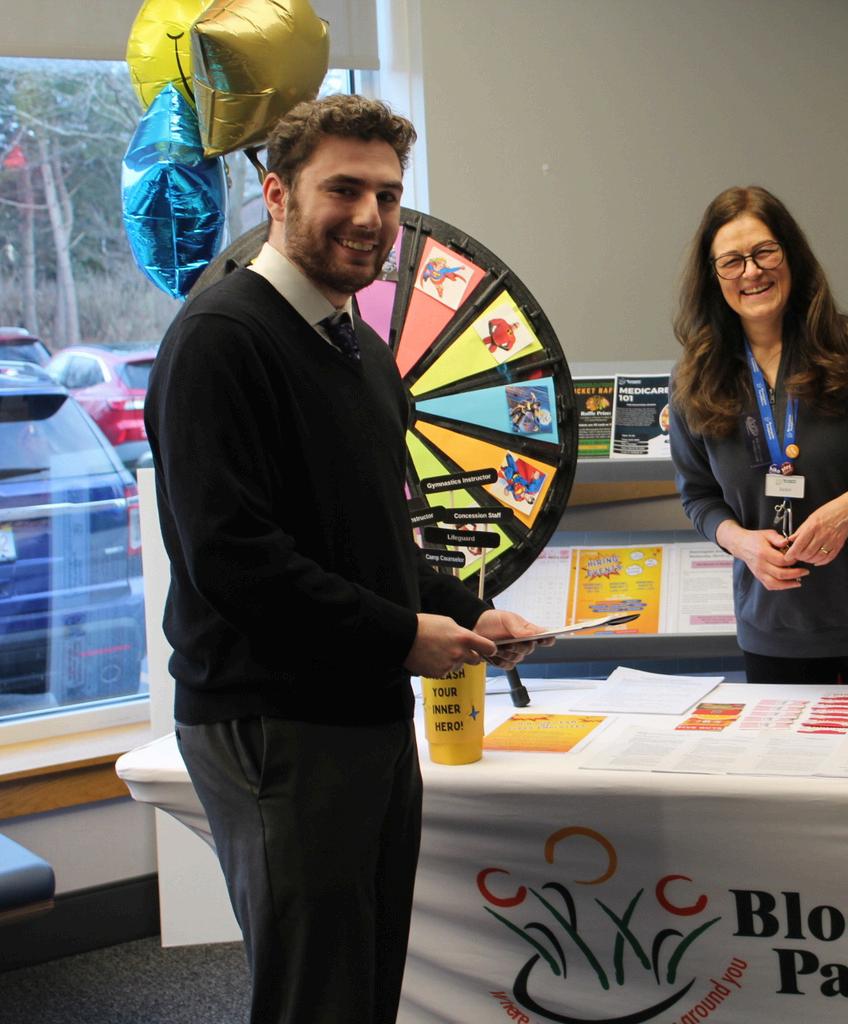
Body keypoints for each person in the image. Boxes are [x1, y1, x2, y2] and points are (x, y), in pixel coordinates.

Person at [144, 95, 550, 1024]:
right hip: (273, 725)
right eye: (343, 190)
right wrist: (403, 636)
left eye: (388, 195)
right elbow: (234, 562)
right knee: (315, 995)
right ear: (277, 194)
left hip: (364, 713)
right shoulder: (220, 340)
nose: (370, 217)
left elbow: (372, 538)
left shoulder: (359, 347)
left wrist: (468, 611)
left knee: (363, 985)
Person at [669, 185, 848, 685]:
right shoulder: (697, 378)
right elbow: (699, 497)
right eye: (732, 261)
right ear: (713, 277)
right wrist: (742, 544)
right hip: (773, 626)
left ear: (791, 255)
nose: (752, 272)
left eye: (765, 252)